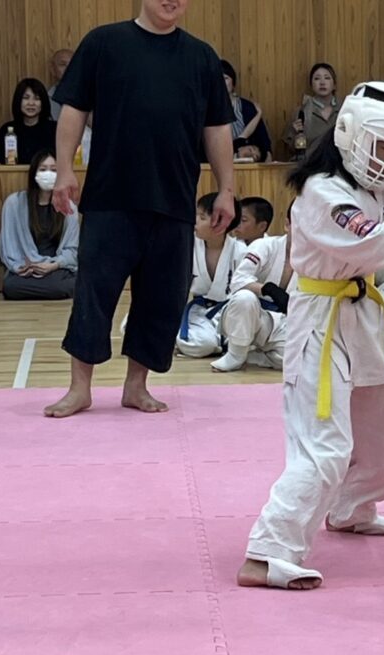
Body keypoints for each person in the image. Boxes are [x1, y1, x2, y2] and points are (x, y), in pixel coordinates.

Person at [236, 80, 384, 590]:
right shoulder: (323, 192)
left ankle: (350, 508)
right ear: (352, 136)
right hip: (319, 319)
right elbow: (377, 242)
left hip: (364, 312)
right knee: (325, 447)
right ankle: (267, 553)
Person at [43, 0, 235, 419]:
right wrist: (64, 169)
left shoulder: (201, 56)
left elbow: (217, 126)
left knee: (161, 298)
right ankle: (79, 388)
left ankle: (136, 386)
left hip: (174, 197)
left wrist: (227, 189)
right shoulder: (104, 43)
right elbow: (73, 108)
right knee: (94, 294)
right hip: (111, 195)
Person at [213, 206, 294, 372]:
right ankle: (235, 354)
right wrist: (268, 289)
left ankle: (254, 356)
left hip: (281, 322)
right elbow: (239, 279)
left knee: (297, 361)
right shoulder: (264, 245)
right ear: (287, 225)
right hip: (250, 313)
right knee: (245, 297)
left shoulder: (314, 259)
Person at [0, 150, 79, 300]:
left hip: (56, 268)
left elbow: (72, 250)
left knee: (64, 283)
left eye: (53, 170)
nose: (48, 174)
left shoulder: (69, 207)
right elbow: (9, 247)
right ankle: (55, 289)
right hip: (26, 269)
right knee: (10, 286)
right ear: (34, 173)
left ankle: (55, 287)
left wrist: (53, 265)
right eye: (43, 169)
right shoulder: (14, 203)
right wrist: (23, 266)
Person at [175, 193, 245, 359]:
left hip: (230, 313)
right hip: (199, 312)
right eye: (196, 215)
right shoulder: (188, 245)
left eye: (202, 217)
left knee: (248, 344)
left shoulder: (240, 251)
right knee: (203, 345)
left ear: (221, 223)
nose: (195, 221)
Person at [0, 79, 56, 165]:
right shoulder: (8, 130)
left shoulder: (54, 129)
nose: (31, 103)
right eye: (26, 98)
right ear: (18, 100)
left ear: (43, 102)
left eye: (37, 98)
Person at [284, 63, 339, 158]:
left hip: (339, 163)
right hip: (311, 163)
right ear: (311, 85)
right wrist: (294, 133)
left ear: (334, 85)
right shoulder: (301, 112)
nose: (322, 82)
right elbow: (292, 149)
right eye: (317, 78)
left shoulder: (345, 109)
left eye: (327, 78)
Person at [221, 60, 273, 162]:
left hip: (248, 163)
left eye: (226, 78)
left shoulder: (247, 107)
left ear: (233, 83)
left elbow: (264, 142)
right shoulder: (206, 109)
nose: (221, 82)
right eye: (218, 78)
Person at [47, 49, 74, 121]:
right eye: (63, 64)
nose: (68, 69)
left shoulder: (89, 96)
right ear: (53, 69)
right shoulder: (44, 98)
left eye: (72, 64)